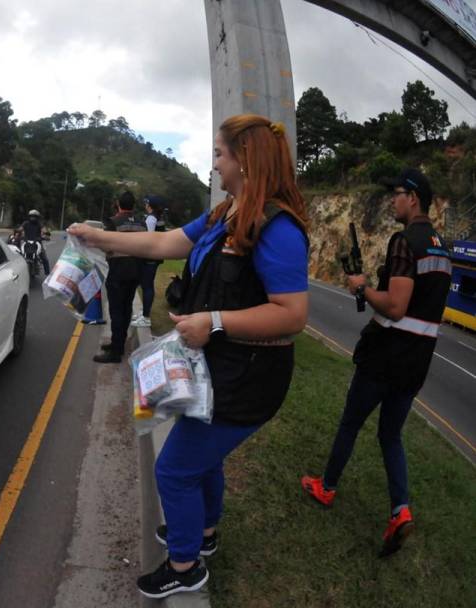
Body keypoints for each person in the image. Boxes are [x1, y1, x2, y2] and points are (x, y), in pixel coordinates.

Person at [68, 114, 309, 597]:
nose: (215, 163)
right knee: (203, 460)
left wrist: (215, 321)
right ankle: (203, 534)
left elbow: (292, 313)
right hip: (217, 370)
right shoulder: (226, 213)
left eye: (220, 154)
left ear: (245, 159)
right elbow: (164, 241)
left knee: (174, 469)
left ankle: (184, 567)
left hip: (248, 378)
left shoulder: (277, 227)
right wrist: (100, 237)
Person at [301, 168, 451, 557]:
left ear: (413, 198)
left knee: (351, 423)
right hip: (416, 363)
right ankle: (400, 511)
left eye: (397, 194)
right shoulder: (442, 248)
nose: (392, 200)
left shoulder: (405, 242)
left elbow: (397, 307)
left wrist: (363, 287)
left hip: (385, 357)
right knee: (390, 435)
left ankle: (327, 487)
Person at [92, 191, 146, 364]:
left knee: (116, 311)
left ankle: (116, 352)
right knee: (126, 308)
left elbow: (106, 247)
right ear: (133, 205)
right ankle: (118, 343)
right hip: (136, 271)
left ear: (118, 204)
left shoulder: (112, 222)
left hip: (118, 272)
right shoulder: (141, 223)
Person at [132, 196, 166, 329]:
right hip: (156, 255)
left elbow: (149, 238)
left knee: (147, 286)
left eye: (146, 203)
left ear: (150, 205)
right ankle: (144, 313)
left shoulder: (151, 218)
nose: (145, 205)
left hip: (150, 256)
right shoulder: (159, 217)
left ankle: (145, 317)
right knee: (147, 284)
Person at [19, 209, 50, 275]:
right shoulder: (25, 223)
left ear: (37, 217)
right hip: (26, 242)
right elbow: (20, 229)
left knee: (44, 258)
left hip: (37, 243)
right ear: (29, 216)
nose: (32, 218)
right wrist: (17, 232)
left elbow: (43, 230)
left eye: (34, 216)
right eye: (31, 216)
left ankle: (48, 274)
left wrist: (46, 234)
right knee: (18, 255)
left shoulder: (39, 224)